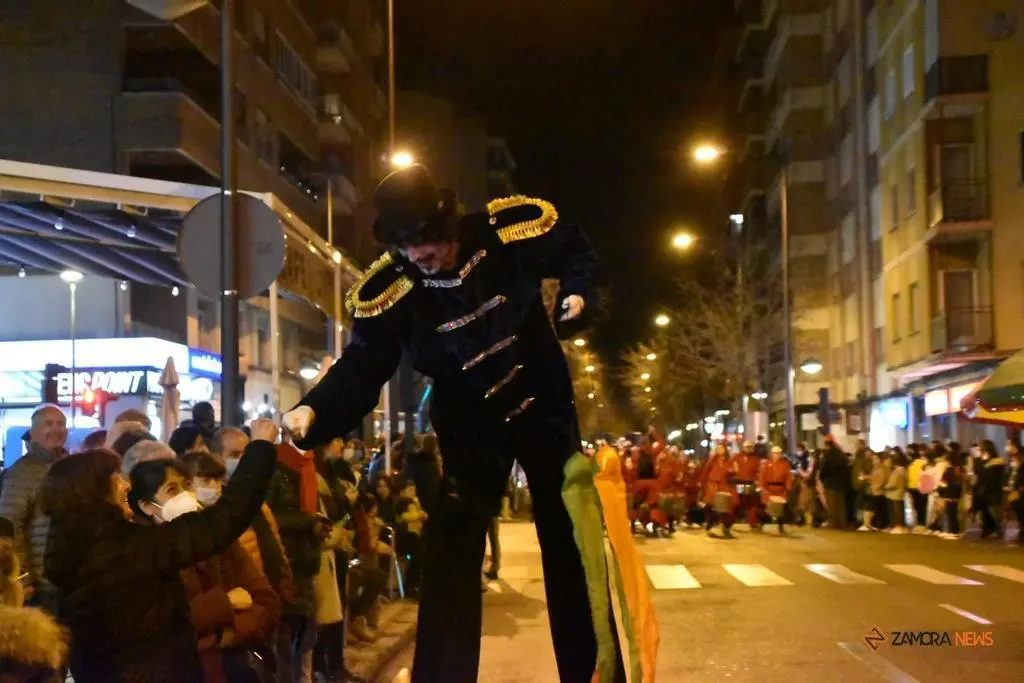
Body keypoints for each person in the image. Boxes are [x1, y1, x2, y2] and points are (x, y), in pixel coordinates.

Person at [283, 165, 654, 683]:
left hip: (541, 405)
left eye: (428, 242)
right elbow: (363, 366)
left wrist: (576, 293)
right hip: (470, 425)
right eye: (407, 248)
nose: (421, 257)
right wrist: (314, 408)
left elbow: (574, 246)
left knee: (570, 541)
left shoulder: (504, 235)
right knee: (451, 557)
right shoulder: (393, 289)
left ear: (450, 225)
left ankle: (596, 673)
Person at [39, 419, 279, 683]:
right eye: (115, 480)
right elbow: (225, 519)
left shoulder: (72, 554)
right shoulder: (130, 550)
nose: (125, 486)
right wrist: (260, 448)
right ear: (94, 494)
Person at [131, 457, 282, 683]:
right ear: (147, 506)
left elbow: (266, 602)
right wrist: (225, 603)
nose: (186, 495)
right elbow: (162, 627)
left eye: (187, 485)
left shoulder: (221, 540)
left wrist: (227, 635)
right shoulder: (141, 557)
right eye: (172, 489)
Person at [0, 404, 68, 614]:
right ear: (33, 433)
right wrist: (23, 575)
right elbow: (8, 526)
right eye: (49, 424)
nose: (56, 429)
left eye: (61, 424)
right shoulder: (22, 473)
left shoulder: (67, 465)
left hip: (63, 579)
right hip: (41, 584)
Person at [701, 444, 737, 538]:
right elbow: (706, 472)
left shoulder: (730, 461)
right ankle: (711, 526)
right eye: (718, 448)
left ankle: (726, 528)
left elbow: (734, 472)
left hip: (725, 487)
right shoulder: (712, 461)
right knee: (711, 507)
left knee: (727, 509)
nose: (720, 449)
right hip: (713, 487)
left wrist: (732, 471)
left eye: (721, 448)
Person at [817, 436, 849, 530]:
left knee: (832, 505)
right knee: (841, 505)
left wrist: (822, 478)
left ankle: (834, 524)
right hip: (841, 483)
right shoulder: (840, 454)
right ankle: (842, 524)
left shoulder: (827, 455)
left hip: (830, 482)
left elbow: (823, 469)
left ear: (826, 445)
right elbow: (846, 468)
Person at [759, 446, 792, 534]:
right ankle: (761, 524)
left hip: (780, 489)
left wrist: (788, 487)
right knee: (768, 509)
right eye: (775, 453)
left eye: (778, 454)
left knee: (780, 510)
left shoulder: (785, 465)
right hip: (769, 489)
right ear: (772, 454)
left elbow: (788, 477)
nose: (776, 455)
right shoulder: (767, 464)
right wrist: (762, 486)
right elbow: (762, 476)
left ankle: (780, 527)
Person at [731, 441, 762, 529]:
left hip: (750, 483)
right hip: (739, 482)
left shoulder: (755, 459)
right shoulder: (737, 457)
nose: (748, 448)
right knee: (736, 502)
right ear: (743, 447)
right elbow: (731, 467)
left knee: (751, 503)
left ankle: (752, 522)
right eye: (747, 447)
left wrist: (757, 480)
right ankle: (730, 522)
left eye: (750, 447)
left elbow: (758, 471)